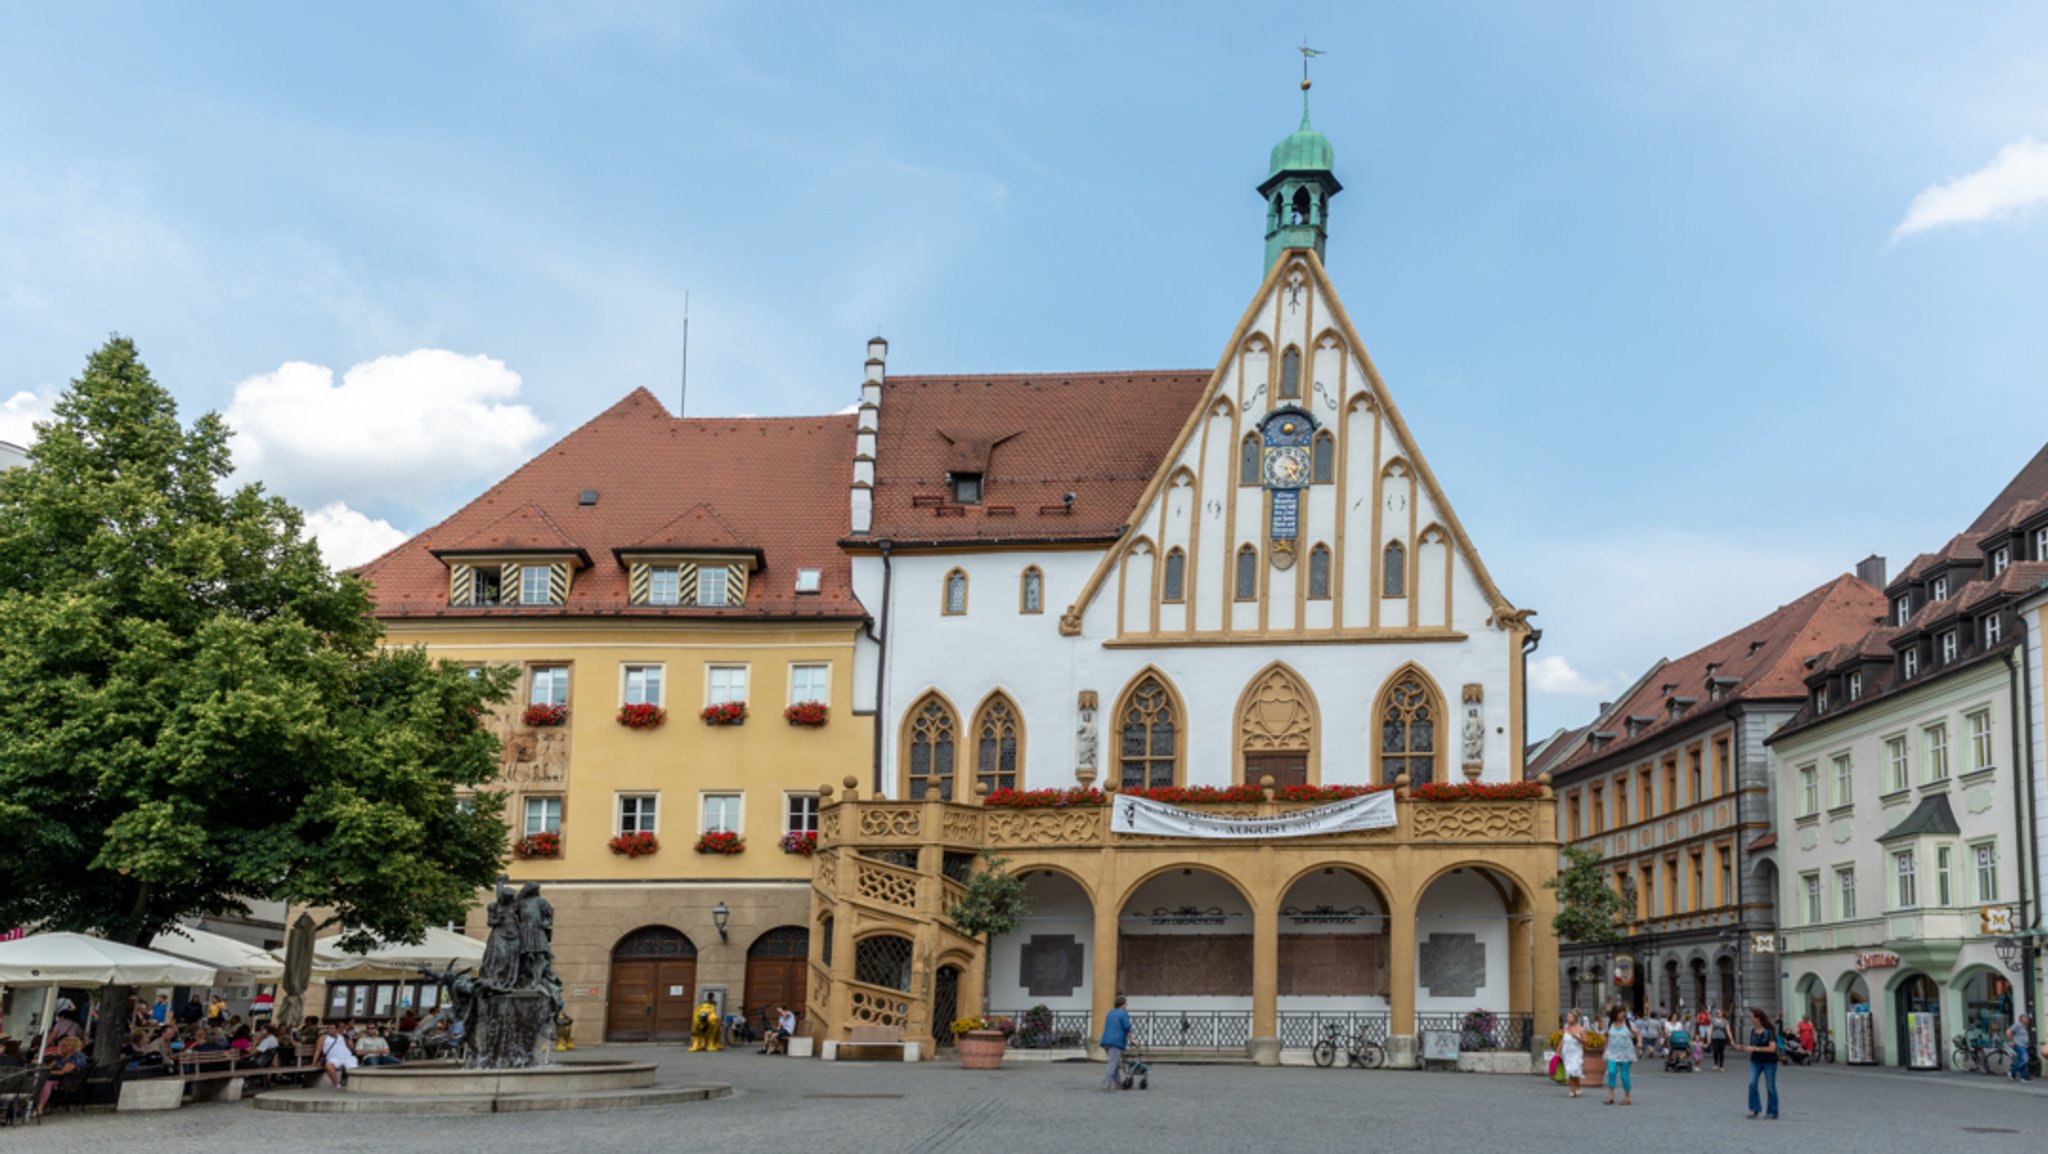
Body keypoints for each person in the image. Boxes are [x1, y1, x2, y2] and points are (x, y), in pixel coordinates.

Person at [1735, 1008, 1779, 1119]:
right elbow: (1752, 1047)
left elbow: (1772, 1048)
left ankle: (1772, 1111)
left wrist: (1755, 1049)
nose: (1750, 1019)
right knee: (1752, 1084)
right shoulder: (1753, 1031)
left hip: (1769, 1062)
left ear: (1757, 1018)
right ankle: (1754, 1109)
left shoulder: (1769, 1030)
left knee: (1770, 1086)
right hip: (1755, 1061)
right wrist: (1743, 1047)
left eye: (1751, 1017)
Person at [1603, 1006, 1638, 1106]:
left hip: (1625, 1054)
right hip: (1612, 1053)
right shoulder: (1609, 1024)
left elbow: (1637, 1034)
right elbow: (1606, 1036)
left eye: (1623, 1012)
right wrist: (1605, 1049)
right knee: (1611, 1072)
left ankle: (1627, 1097)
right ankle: (1610, 1097)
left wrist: (1639, 1042)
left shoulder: (1629, 1024)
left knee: (1624, 1075)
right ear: (1615, 1014)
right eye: (1620, 1012)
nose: (1623, 1014)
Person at [1099, 995, 1133, 1092]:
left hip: (1106, 1041)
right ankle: (1107, 1084)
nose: (1127, 1005)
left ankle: (1118, 1083)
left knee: (1116, 1063)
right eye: (1126, 1003)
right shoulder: (1123, 1013)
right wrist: (1132, 1040)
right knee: (1113, 1063)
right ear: (1122, 1004)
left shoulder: (1110, 1013)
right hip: (1116, 1041)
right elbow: (1127, 1027)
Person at [317, 1021, 358, 1087]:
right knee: (329, 1066)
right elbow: (317, 1050)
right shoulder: (323, 1037)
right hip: (334, 1058)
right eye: (329, 1028)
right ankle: (337, 1085)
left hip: (347, 1057)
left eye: (332, 1028)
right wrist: (314, 1062)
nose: (330, 1030)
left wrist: (350, 1043)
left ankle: (353, 1086)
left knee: (353, 1071)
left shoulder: (342, 1037)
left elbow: (351, 1046)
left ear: (336, 1029)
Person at [1559, 1009, 1587, 1097]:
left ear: (1575, 1018)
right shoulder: (1565, 1027)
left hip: (1576, 1052)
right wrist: (1558, 1049)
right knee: (1569, 1070)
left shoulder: (1580, 1029)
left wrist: (1577, 1038)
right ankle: (1572, 1089)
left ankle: (1577, 1086)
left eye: (1570, 1016)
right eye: (1567, 1016)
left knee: (1575, 1070)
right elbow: (1563, 1039)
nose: (1568, 1018)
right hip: (1567, 1052)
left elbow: (1586, 1041)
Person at [2009, 1013, 2033, 1083]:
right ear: (2021, 1019)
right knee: (2025, 1059)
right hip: (2018, 1045)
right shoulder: (2017, 1025)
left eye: (2027, 1018)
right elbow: (2009, 1031)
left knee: (2023, 1061)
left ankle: (2024, 1077)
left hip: (2023, 1046)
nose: (2027, 1019)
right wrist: (2011, 1041)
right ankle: (2012, 1071)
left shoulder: (2023, 1026)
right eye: (2025, 1018)